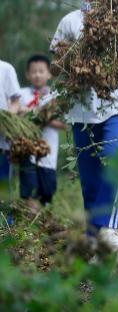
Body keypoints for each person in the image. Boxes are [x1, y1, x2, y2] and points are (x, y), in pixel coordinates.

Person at [50, 0, 118, 255]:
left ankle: (107, 231)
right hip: (82, 109)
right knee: (89, 179)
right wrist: (78, 60)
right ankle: (94, 239)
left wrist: (108, 71)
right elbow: (56, 66)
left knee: (113, 163)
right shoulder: (71, 21)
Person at [18, 54, 64, 206]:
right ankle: (30, 223)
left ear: (49, 73)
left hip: (48, 151)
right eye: (33, 71)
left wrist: (44, 117)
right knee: (29, 188)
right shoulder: (21, 94)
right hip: (27, 148)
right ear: (27, 75)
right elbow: (17, 113)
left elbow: (64, 123)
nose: (37, 74)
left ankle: (44, 220)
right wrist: (30, 113)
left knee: (47, 189)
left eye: (41, 71)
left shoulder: (56, 95)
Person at [0, 59, 21, 226]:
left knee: (3, 185)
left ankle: (6, 227)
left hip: (2, 140)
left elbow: (15, 102)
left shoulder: (6, 68)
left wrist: (6, 119)